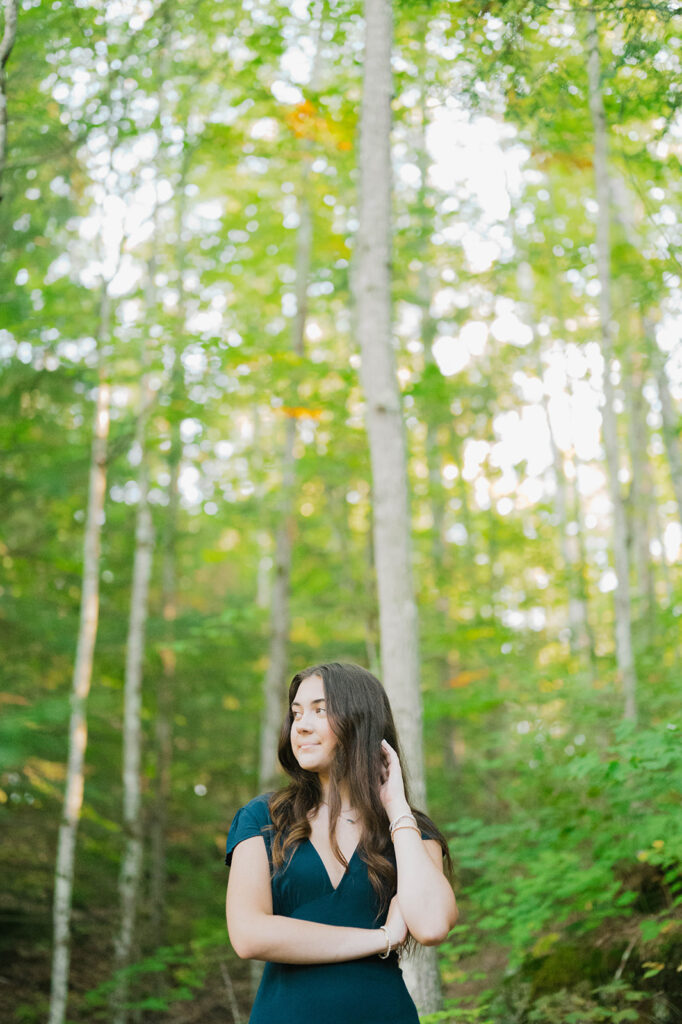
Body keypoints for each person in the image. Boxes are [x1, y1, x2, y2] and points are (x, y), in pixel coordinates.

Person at [224, 662, 458, 1024]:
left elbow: (431, 926)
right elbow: (249, 935)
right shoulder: (262, 818)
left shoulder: (410, 831)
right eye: (297, 713)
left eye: (320, 711)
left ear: (360, 723)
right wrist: (383, 938)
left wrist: (396, 807)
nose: (300, 725)